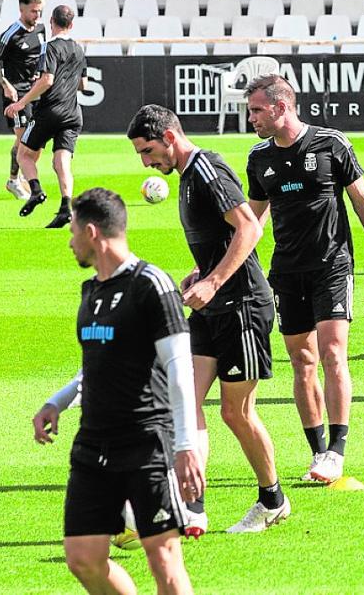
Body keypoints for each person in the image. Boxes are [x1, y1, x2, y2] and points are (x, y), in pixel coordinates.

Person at [32, 188, 204, 595]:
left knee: (164, 562)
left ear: (91, 232)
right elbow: (94, 367)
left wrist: (185, 447)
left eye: (72, 231)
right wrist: (57, 401)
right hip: (93, 444)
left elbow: (180, 368)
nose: (70, 240)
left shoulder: (151, 285)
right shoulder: (91, 290)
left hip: (147, 444)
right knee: (83, 558)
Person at [127, 105, 289, 534]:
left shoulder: (206, 169)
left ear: (168, 136)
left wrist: (214, 281)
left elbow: (249, 228)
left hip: (242, 307)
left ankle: (273, 499)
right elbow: (224, 237)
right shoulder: (186, 177)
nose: (146, 162)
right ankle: (192, 505)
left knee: (236, 413)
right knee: (185, 401)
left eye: (147, 151)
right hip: (211, 307)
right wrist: (204, 272)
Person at [244, 74, 364, 483]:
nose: (251, 118)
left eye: (257, 110)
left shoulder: (331, 143)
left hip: (332, 265)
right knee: (302, 361)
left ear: (282, 107)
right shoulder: (259, 158)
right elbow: (251, 221)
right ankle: (318, 453)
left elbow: (363, 201)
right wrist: (216, 265)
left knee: (332, 353)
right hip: (286, 272)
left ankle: (338, 449)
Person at [3, 5, 88, 229]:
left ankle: (36, 191)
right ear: (71, 25)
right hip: (73, 113)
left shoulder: (48, 47)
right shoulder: (79, 49)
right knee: (62, 162)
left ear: (51, 21)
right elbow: (83, 84)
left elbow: (47, 80)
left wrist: (21, 102)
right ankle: (65, 207)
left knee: (24, 155)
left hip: (49, 111)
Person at [0, 0, 45, 201]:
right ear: (22, 10)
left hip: (35, 91)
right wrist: (6, 85)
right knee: (23, 140)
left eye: (40, 11)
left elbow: (41, 54)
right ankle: (13, 180)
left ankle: (18, 178)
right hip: (16, 92)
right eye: (33, 11)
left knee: (35, 143)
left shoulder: (41, 29)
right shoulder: (11, 33)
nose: (37, 15)